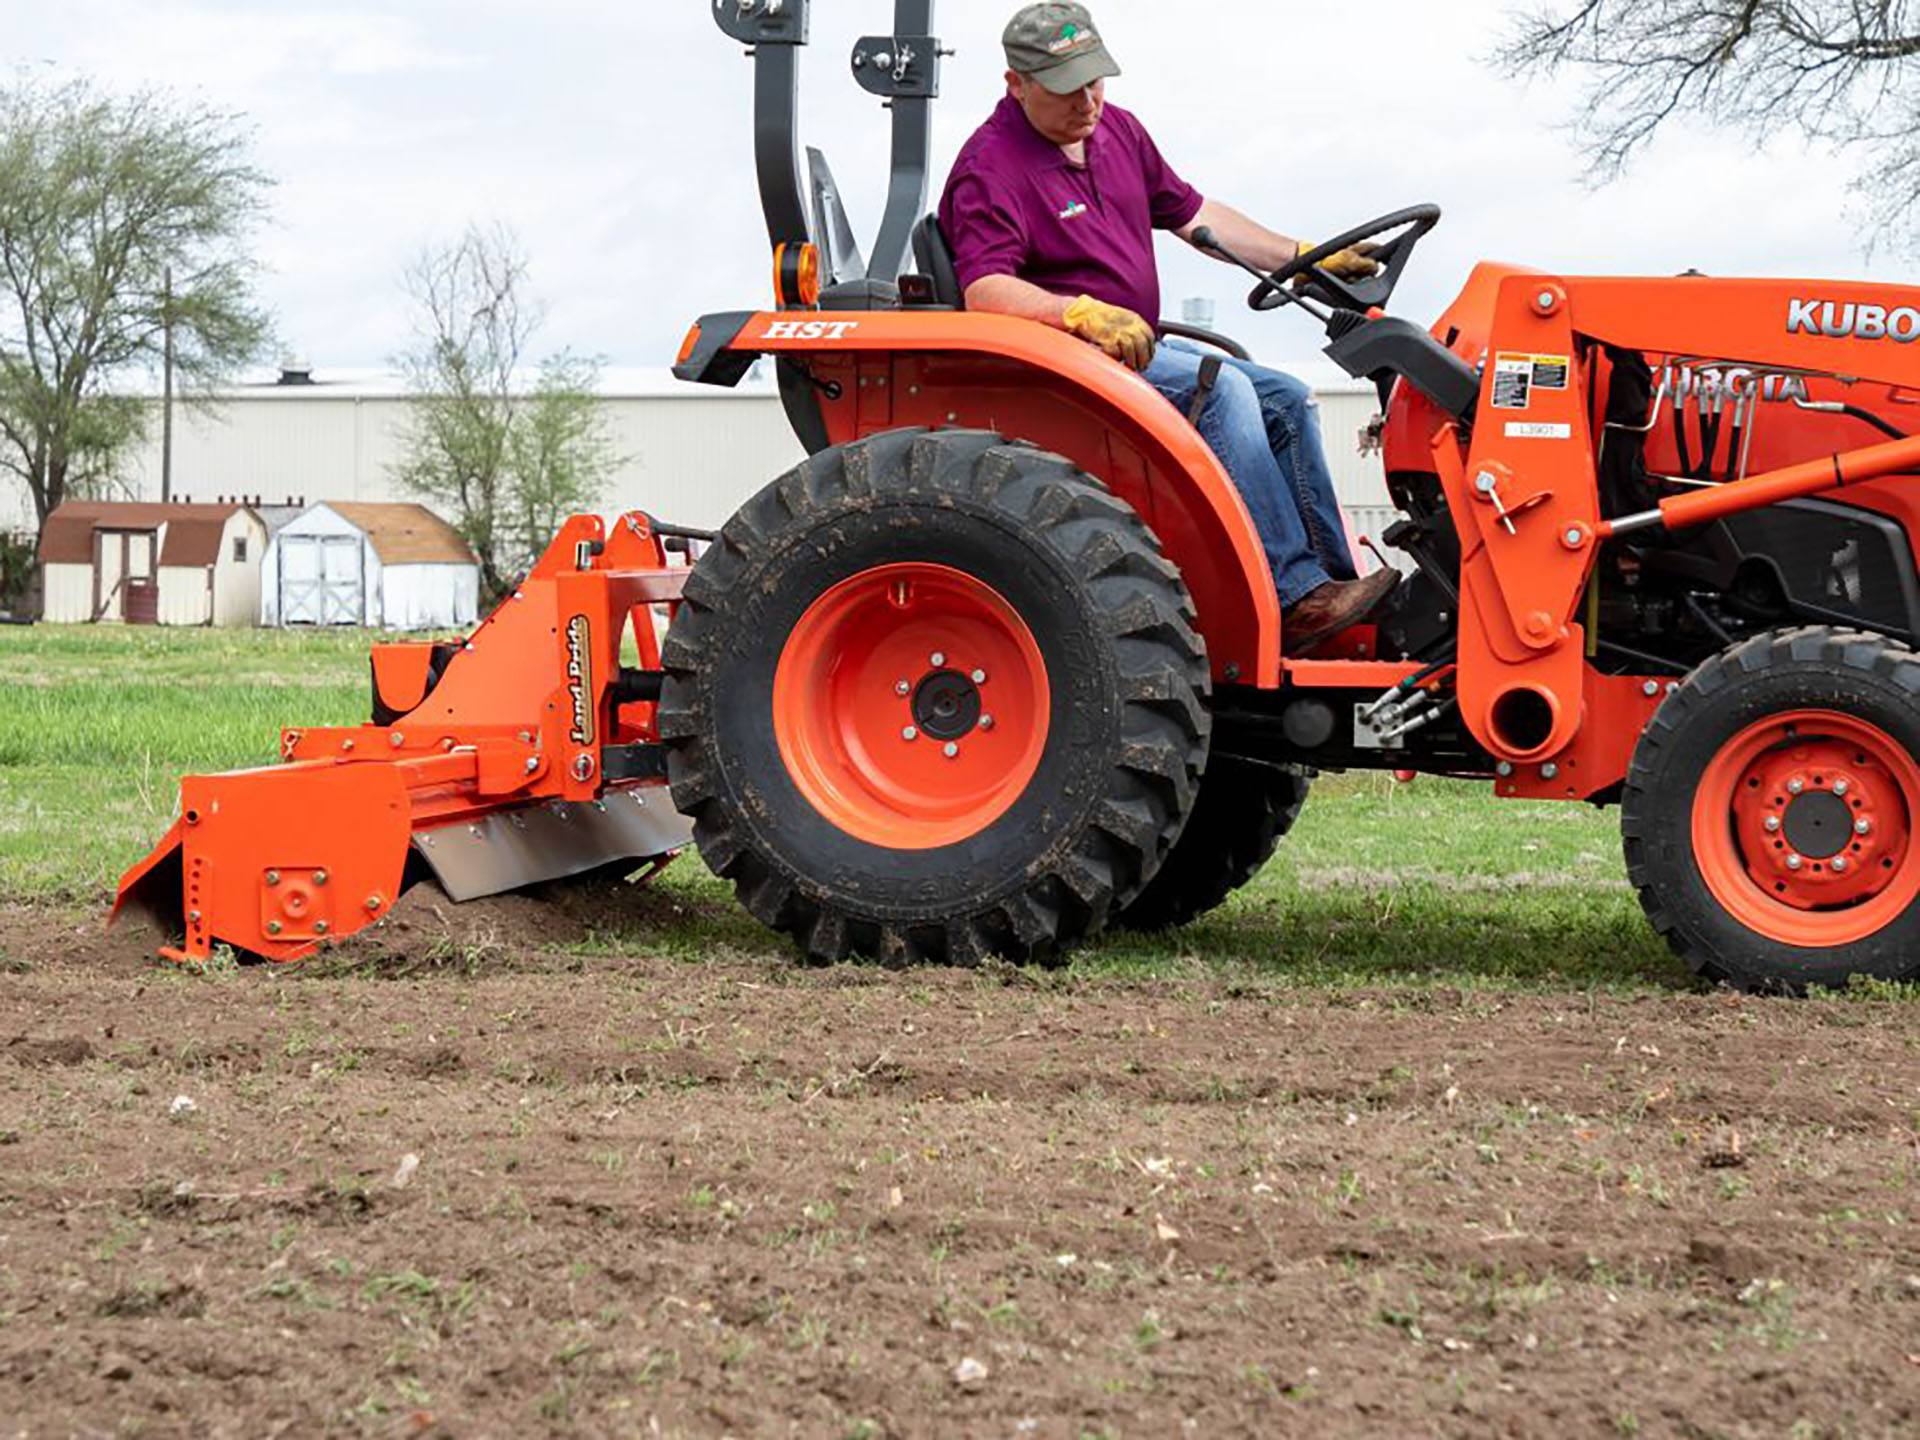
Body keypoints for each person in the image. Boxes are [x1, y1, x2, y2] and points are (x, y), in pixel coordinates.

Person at [938, 2, 1399, 655]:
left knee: (1287, 397)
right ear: (1017, 83)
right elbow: (985, 290)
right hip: (1073, 362)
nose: (1089, 101)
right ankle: (1294, 596)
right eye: (1068, 88)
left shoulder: (1118, 132)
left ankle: (1331, 592)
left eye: (1096, 81)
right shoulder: (991, 167)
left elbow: (1196, 218)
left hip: (1138, 347)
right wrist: (1075, 312)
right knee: (1227, 391)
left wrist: (1302, 256)